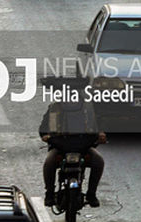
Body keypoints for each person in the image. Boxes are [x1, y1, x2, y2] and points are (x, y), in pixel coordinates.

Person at [40, 80, 106, 208]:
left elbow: (98, 123)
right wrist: (45, 136)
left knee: (99, 161)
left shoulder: (88, 108)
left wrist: (101, 133)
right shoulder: (54, 107)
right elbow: (43, 128)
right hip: (60, 147)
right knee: (49, 163)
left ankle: (91, 194)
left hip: (84, 147)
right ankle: (49, 193)